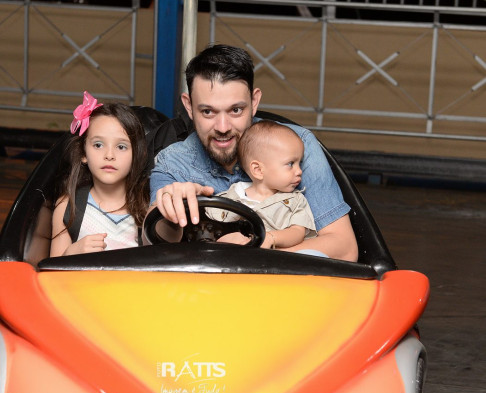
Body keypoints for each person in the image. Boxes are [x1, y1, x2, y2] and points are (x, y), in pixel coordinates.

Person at [149, 44, 358, 261]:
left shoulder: (298, 145)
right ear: (189, 106)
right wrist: (169, 211)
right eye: (208, 111)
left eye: (236, 110)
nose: (223, 127)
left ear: (254, 101)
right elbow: (151, 244)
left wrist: (252, 257)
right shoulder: (172, 163)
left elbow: (345, 248)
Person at [50, 92, 149, 256]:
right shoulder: (68, 207)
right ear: (83, 153)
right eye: (98, 145)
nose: (109, 155)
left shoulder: (147, 207)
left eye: (121, 147)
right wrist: (71, 254)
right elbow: (51, 268)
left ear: (137, 155)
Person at [207, 119, 317, 250]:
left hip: (271, 260)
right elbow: (211, 228)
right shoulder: (229, 197)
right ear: (258, 170)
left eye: (300, 163)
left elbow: (297, 233)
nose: (299, 171)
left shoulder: (296, 201)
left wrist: (271, 238)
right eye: (290, 164)